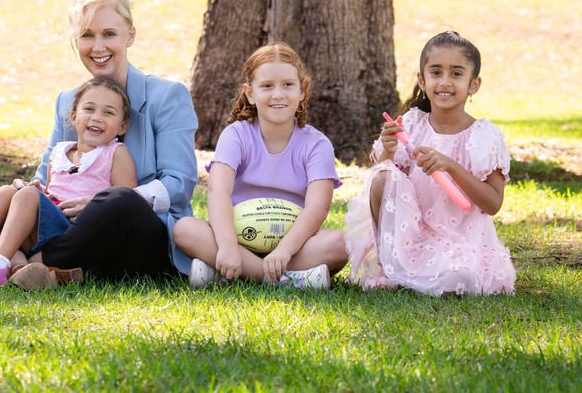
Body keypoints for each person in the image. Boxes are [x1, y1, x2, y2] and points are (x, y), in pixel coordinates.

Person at [0, 0, 199, 284]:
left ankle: (28, 264)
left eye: (109, 34)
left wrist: (96, 201)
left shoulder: (167, 96)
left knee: (118, 200)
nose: (98, 47)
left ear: (130, 35)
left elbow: (178, 185)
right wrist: (30, 187)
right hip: (68, 228)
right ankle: (53, 271)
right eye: (87, 35)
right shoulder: (70, 102)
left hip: (134, 236)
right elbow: (49, 172)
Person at [344, 31, 516, 296]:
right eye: (436, 73)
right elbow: (386, 188)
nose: (445, 82)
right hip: (409, 236)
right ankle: (388, 265)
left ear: (474, 84)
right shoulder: (411, 125)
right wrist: (388, 152)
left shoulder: (483, 136)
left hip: (458, 240)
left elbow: (493, 204)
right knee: (382, 176)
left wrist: (451, 167)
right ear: (422, 81)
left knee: (460, 277)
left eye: (456, 74)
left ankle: (419, 276)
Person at [0, 77, 138, 291]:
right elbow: (52, 191)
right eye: (89, 109)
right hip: (45, 228)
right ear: (73, 116)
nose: (97, 118)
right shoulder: (59, 152)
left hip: (76, 233)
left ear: (122, 126)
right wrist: (37, 191)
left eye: (108, 112)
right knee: (7, 192)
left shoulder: (115, 153)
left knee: (27, 196)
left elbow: (126, 204)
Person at [173, 43, 346, 290]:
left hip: (294, 248)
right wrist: (227, 245)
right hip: (239, 242)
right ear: (250, 93)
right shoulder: (236, 135)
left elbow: (318, 206)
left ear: (302, 90)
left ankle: (228, 274)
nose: (278, 94)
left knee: (342, 243)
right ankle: (286, 280)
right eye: (266, 86)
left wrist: (284, 251)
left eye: (288, 85)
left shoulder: (317, 144)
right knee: (185, 229)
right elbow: (218, 192)